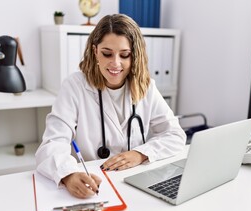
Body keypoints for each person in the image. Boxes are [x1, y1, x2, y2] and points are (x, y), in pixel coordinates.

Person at [35, 14, 186, 199]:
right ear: (95, 51)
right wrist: (68, 174)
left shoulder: (146, 87)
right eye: (107, 53)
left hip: (133, 183)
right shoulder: (75, 86)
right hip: (94, 182)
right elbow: (52, 143)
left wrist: (140, 154)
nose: (115, 63)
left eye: (124, 55)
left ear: (134, 56)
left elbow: (175, 135)